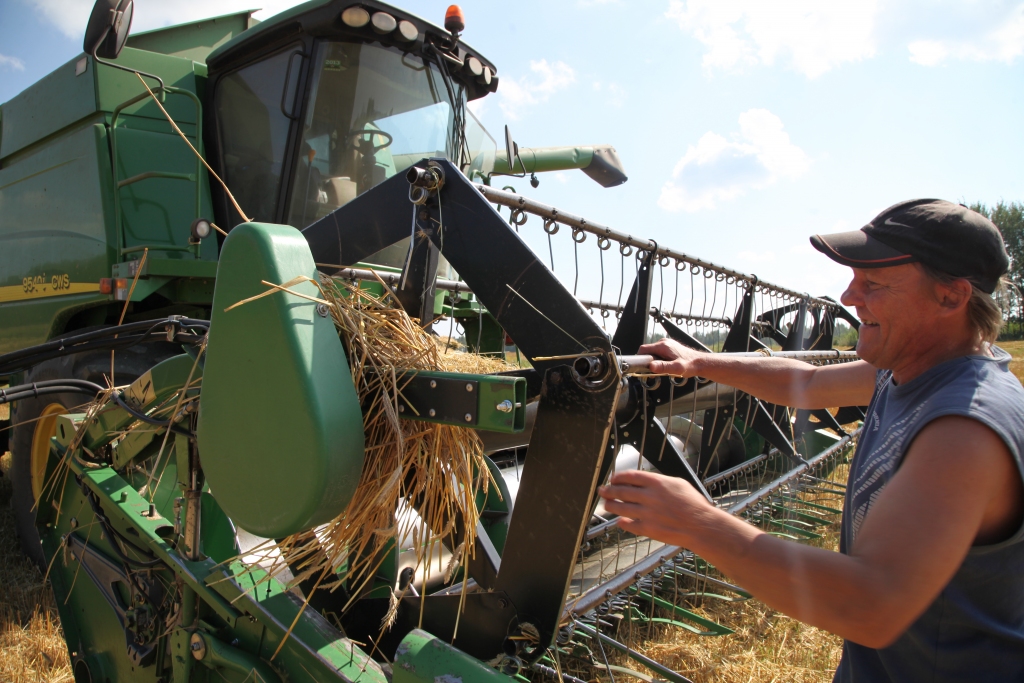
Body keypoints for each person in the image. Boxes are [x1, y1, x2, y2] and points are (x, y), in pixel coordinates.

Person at [598, 199, 1024, 682]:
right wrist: (700, 361)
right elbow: (808, 384)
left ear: (952, 296)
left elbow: (870, 606)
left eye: (873, 284)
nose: (848, 296)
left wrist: (698, 522)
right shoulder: (912, 367)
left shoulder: (963, 430)